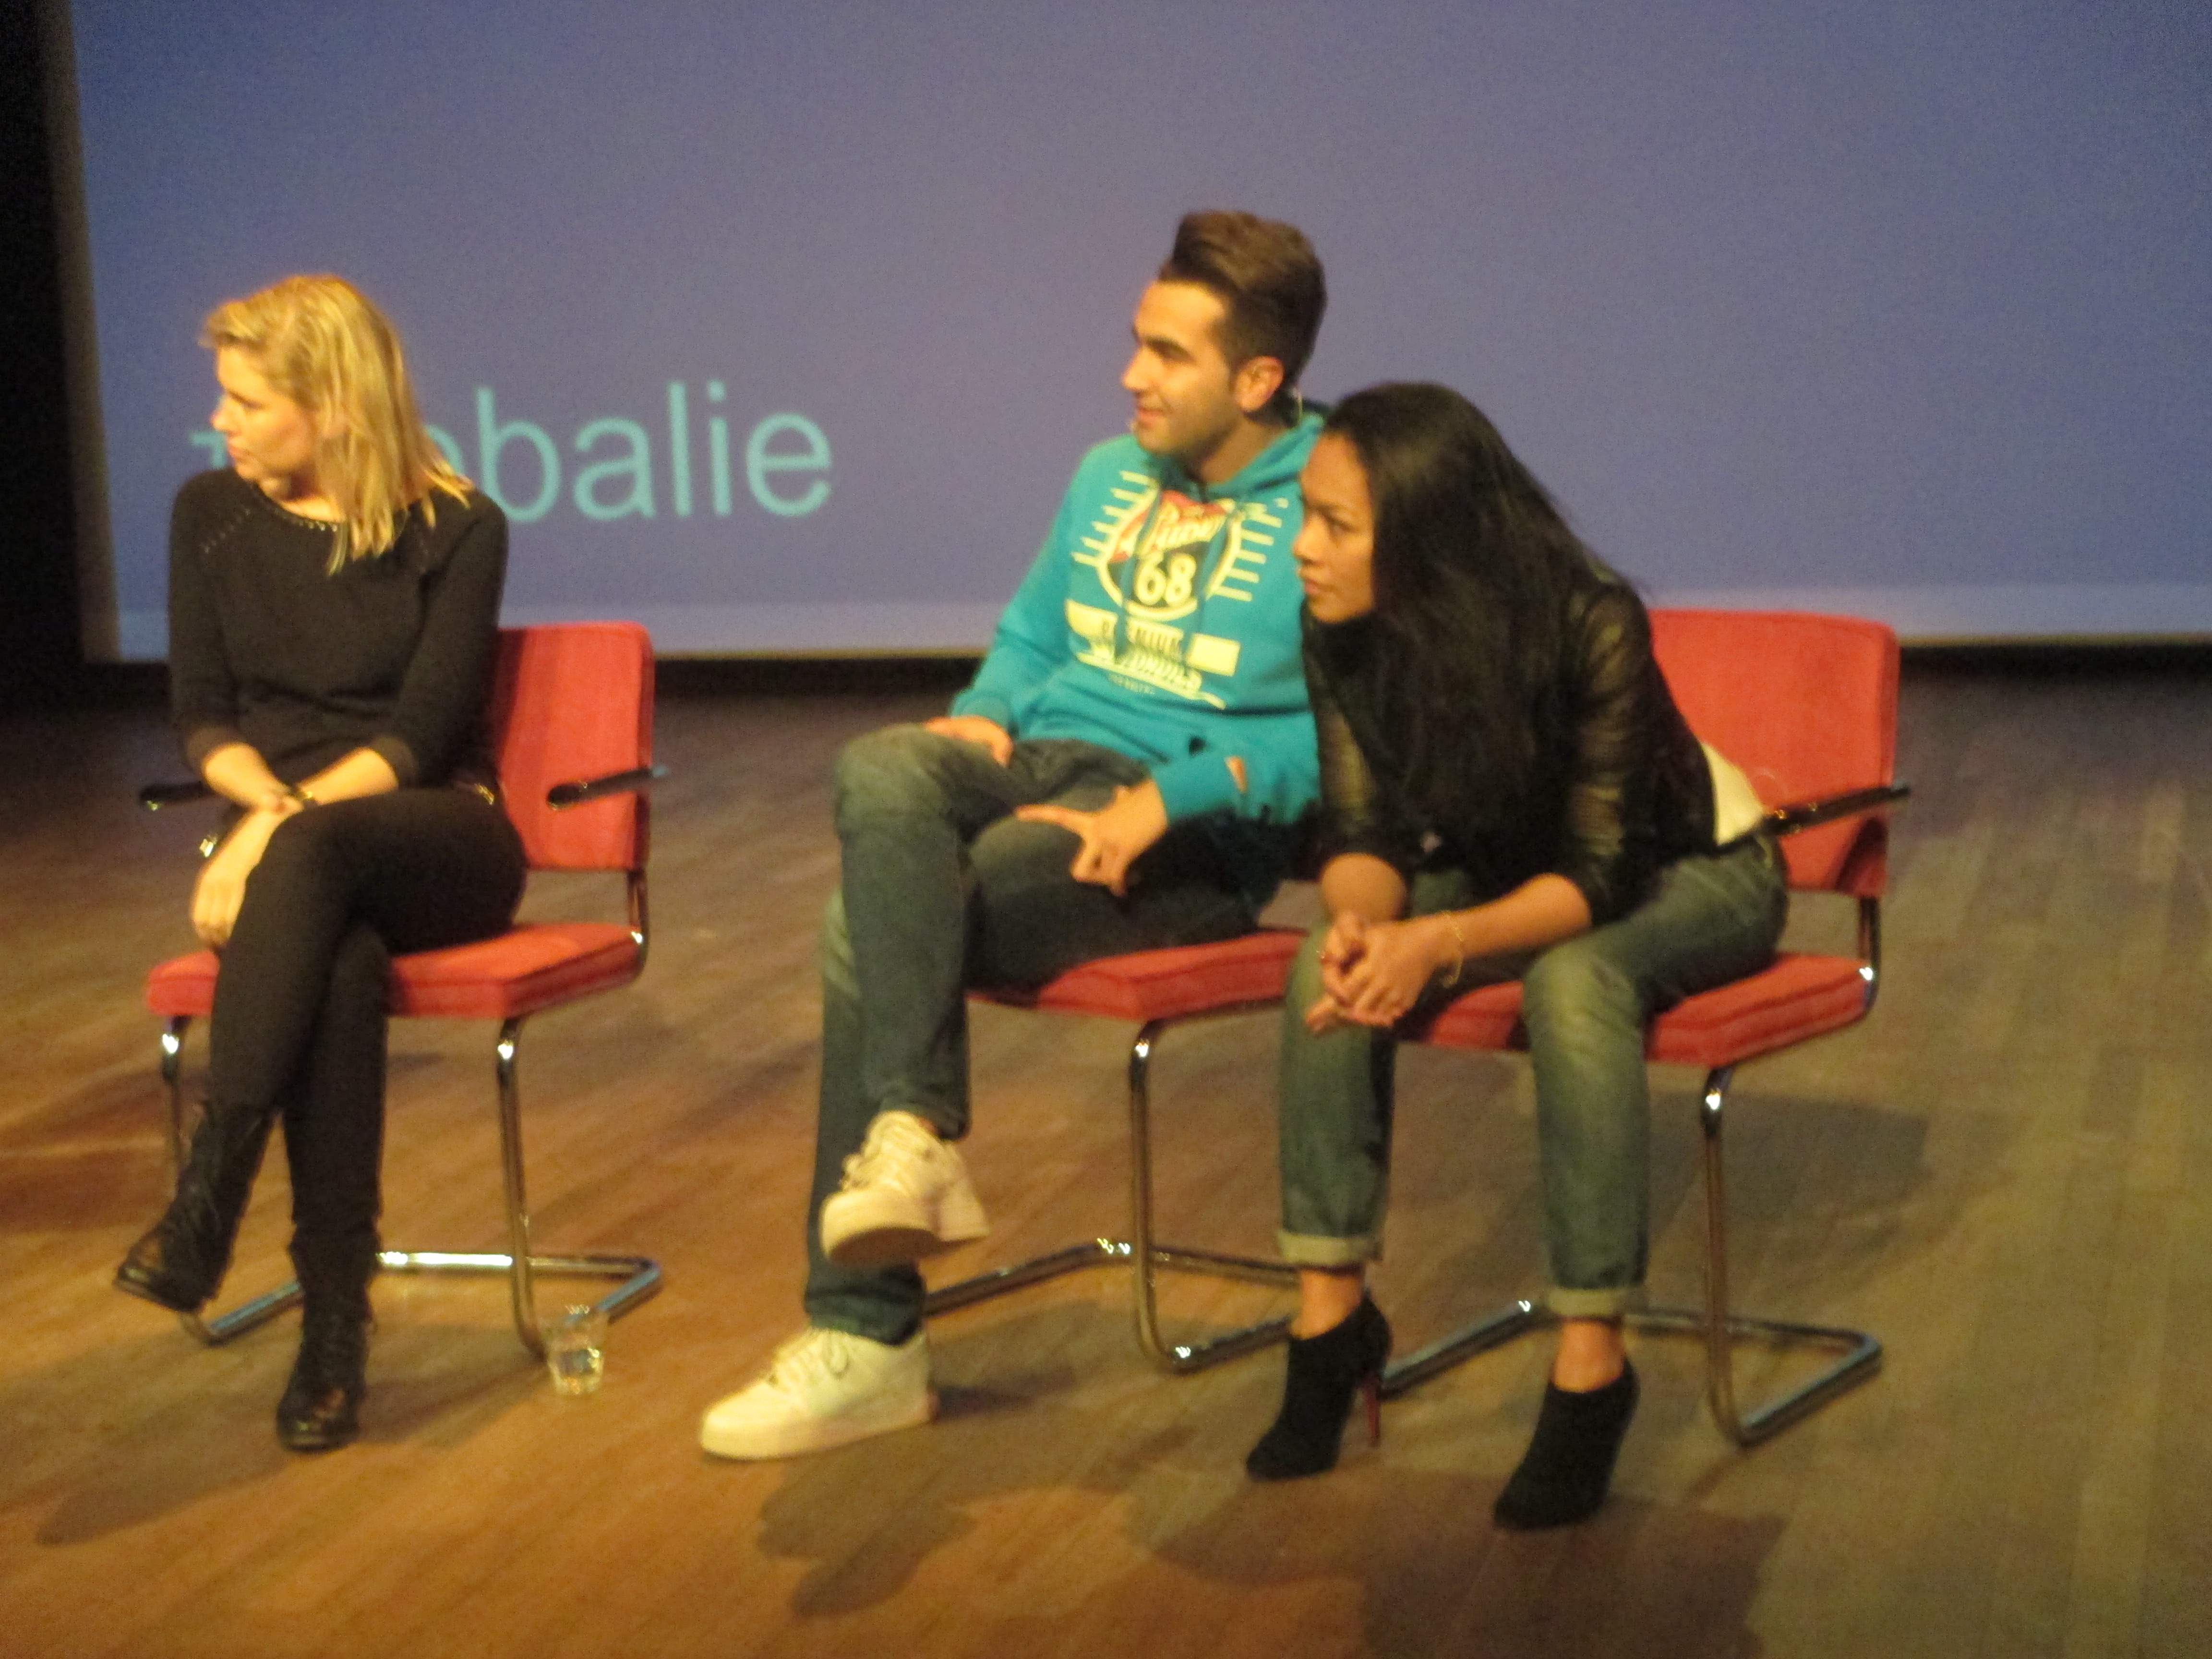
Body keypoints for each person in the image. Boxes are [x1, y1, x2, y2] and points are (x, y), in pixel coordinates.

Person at [701, 211, 1330, 1459]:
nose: (1131, 375)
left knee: (862, 926)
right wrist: (986, 713)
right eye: (1136, 342)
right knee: (885, 762)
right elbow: (1035, 638)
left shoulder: (1336, 499)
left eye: (1168, 354)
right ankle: (918, 1139)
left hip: (1184, 832)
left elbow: (1352, 740)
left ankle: (871, 1329)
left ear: (1259, 379)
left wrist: (1170, 799)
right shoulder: (1109, 474)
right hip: (1043, 762)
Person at [1247, 382, 1784, 1527]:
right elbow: (1363, 833)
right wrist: (1366, 925)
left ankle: (1592, 1365)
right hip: (1512, 874)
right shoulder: (1339, 627)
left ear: (1429, 536)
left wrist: (1439, 941)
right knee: (1325, 961)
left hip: (1693, 871)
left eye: (1336, 524)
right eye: (1305, 515)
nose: (1304, 547)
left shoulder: (1589, 618)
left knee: (1576, 980)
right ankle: (1329, 1324)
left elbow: (1600, 876)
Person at [114, 276, 523, 1453]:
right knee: (335, 970)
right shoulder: (211, 514)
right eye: (224, 399)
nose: (222, 423)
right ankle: (333, 1329)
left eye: (248, 403)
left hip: (434, 834)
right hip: (300, 857)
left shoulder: (461, 526)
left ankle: (211, 1192)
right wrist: (268, 813)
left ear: (335, 406)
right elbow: (203, 714)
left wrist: (271, 829)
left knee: (316, 857)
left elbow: (420, 738)